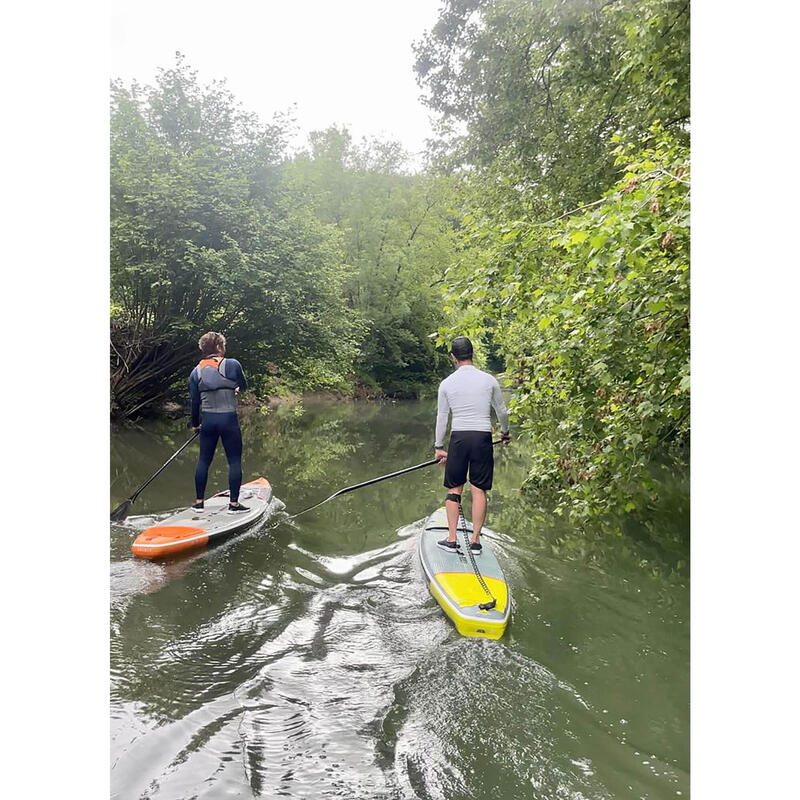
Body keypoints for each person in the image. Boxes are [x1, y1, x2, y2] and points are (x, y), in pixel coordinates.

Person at [434, 336, 511, 554]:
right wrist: (505, 433)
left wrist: (439, 447)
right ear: (473, 354)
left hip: (459, 438)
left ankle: (451, 539)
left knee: (454, 488)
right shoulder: (489, 380)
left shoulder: (447, 383)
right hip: (482, 438)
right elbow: (502, 412)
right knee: (479, 490)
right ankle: (476, 542)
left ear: (453, 357)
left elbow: (442, 417)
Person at [189, 331, 249, 512]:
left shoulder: (195, 372)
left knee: (203, 461)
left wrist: (195, 425)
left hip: (208, 421)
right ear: (218, 347)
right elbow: (243, 386)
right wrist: (235, 388)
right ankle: (233, 504)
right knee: (234, 462)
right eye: (223, 345)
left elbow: (195, 402)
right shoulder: (232, 364)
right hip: (228, 420)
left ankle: (199, 503)